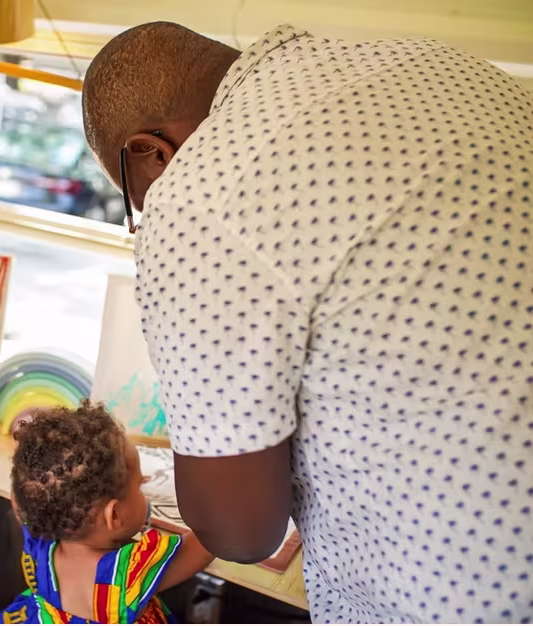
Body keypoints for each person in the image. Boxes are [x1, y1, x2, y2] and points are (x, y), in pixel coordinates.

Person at [82, 21, 533, 623]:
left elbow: (241, 532)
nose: (144, 211)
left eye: (132, 197)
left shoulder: (195, 193)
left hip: (467, 589)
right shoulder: (435, 64)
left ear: (148, 151)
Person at [0, 402, 214, 624]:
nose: (146, 482)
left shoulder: (39, 534)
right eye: (139, 484)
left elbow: (24, 489)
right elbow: (213, 537)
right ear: (114, 515)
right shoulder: (128, 575)